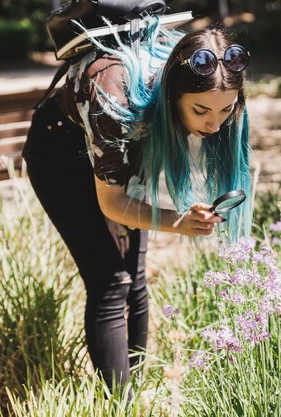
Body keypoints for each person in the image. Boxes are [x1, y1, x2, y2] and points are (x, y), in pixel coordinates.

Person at [21, 18, 252, 392]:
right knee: (111, 281)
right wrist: (176, 221)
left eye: (224, 111)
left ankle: (138, 392)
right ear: (172, 93)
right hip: (60, 156)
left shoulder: (209, 84)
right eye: (200, 111)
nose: (214, 125)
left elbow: (199, 123)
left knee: (136, 275)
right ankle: (120, 405)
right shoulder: (115, 98)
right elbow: (113, 203)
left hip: (119, 147)